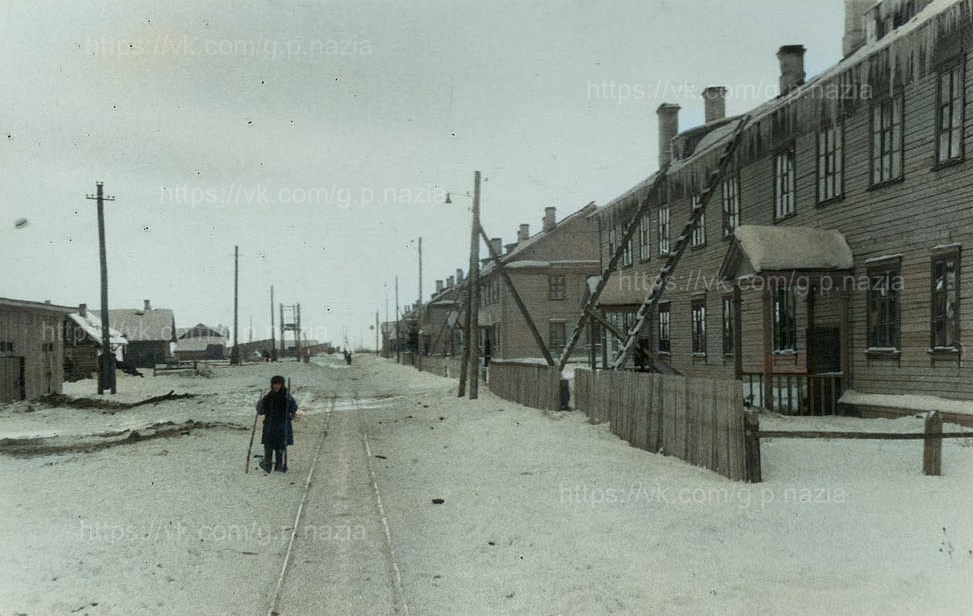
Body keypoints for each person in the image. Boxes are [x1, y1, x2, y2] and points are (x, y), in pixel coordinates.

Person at [255, 375, 297, 473]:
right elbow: (261, 411)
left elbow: (293, 408)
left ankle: (279, 464)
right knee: (268, 444)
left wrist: (290, 402)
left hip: (282, 425)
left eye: (278, 384)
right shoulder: (269, 396)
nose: (276, 386)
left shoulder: (286, 396)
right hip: (270, 424)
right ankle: (267, 464)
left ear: (282, 385)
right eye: (275, 384)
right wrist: (259, 404)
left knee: (280, 445)